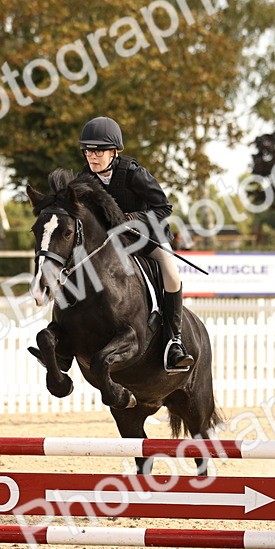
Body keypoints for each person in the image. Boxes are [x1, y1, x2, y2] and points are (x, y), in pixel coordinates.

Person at [77, 116, 193, 372]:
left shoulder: (133, 173)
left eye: (98, 151)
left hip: (146, 236)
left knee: (171, 274)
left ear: (114, 151)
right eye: (88, 151)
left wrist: (132, 219)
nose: (92, 157)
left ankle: (174, 342)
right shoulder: (85, 177)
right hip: (112, 242)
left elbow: (164, 207)